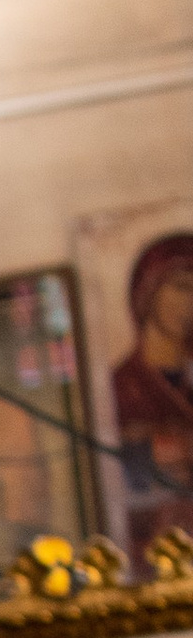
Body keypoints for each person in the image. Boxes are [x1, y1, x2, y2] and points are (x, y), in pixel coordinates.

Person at [113, 232, 193, 565]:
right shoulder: (120, 387)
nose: (190, 302)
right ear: (148, 291)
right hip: (154, 557)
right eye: (181, 287)